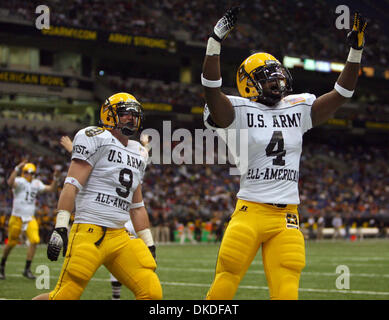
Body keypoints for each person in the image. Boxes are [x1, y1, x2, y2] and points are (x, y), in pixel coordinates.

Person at [202, 7, 367, 300]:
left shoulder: (297, 106)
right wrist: (215, 42)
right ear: (248, 84)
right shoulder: (237, 110)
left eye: (278, 76)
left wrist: (355, 52)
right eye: (268, 79)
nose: (277, 83)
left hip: (287, 216)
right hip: (250, 211)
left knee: (288, 290)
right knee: (226, 281)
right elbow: (211, 90)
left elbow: (342, 94)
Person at [33, 92, 162, 300]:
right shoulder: (94, 137)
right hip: (89, 230)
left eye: (134, 115)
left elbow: (137, 205)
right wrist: (60, 226)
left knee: (151, 292)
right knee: (64, 295)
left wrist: (149, 243)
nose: (131, 118)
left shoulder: (139, 151)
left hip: (120, 236)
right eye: (126, 113)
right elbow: (71, 185)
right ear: (109, 115)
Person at [60, 135, 146, 300]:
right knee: (67, 291)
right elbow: (94, 162)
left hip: (123, 212)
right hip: (100, 218)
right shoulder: (109, 148)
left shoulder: (134, 153)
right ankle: (115, 296)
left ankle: (115, 296)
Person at [0, 161, 59, 280]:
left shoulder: (36, 183)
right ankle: (1, 265)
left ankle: (27, 269)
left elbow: (51, 189)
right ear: (23, 173)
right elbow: (10, 183)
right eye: (26, 172)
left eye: (30, 173)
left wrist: (56, 178)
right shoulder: (20, 181)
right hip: (17, 217)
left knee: (35, 240)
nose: (28, 175)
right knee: (11, 243)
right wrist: (16, 168)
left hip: (29, 218)